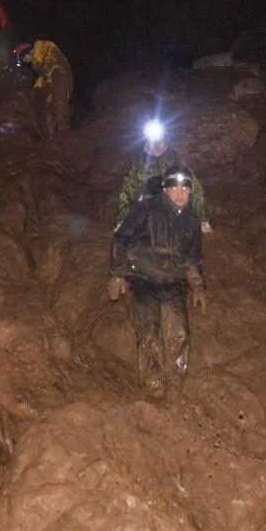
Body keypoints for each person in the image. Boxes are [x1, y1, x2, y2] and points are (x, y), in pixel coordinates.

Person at [108, 168, 206, 398]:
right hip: (142, 278)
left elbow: (193, 257)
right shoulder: (146, 210)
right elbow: (122, 238)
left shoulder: (191, 220)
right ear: (165, 190)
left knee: (179, 331)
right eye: (175, 189)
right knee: (149, 328)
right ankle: (152, 378)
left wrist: (198, 287)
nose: (180, 194)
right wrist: (117, 274)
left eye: (185, 189)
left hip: (172, 281)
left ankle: (175, 378)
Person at [116, 119, 207, 224]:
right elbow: (127, 190)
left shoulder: (175, 159)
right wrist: (122, 220)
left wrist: (203, 218)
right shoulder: (139, 162)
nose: (157, 143)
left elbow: (194, 185)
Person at [13, 39, 73, 138]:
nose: (25, 61)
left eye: (23, 58)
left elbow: (47, 61)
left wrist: (44, 83)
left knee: (59, 103)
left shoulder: (40, 47)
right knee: (48, 111)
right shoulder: (37, 64)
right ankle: (52, 138)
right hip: (52, 80)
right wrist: (36, 87)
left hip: (60, 75)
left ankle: (63, 133)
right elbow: (42, 76)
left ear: (26, 52)